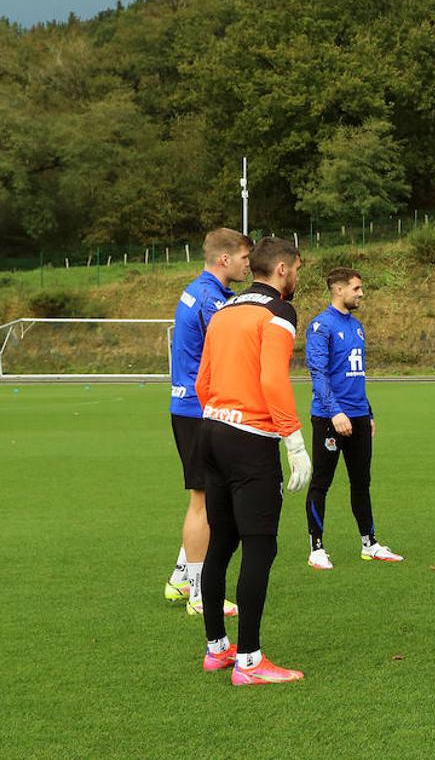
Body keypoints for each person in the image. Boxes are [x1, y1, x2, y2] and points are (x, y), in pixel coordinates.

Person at [194, 236, 313, 685]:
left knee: (222, 542)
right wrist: (294, 441)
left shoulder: (224, 309)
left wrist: (220, 416)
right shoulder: (279, 311)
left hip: (210, 429)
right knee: (261, 545)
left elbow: (204, 379)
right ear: (282, 269)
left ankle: (216, 649)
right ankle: (249, 661)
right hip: (249, 439)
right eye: (297, 269)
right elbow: (273, 380)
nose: (298, 278)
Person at [165, 227, 250, 618]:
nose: (248, 265)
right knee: (205, 501)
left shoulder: (198, 291)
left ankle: (182, 577)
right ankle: (199, 593)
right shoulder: (209, 300)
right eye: (244, 259)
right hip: (199, 410)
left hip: (190, 408)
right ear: (224, 259)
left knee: (206, 498)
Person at [304, 267, 402, 571]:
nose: (361, 293)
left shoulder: (357, 326)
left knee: (362, 483)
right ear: (338, 290)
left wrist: (367, 412)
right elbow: (318, 375)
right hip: (330, 418)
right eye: (356, 288)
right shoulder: (321, 327)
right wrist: (335, 412)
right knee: (321, 482)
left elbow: (356, 376)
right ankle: (316, 547)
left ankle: (369, 543)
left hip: (358, 417)